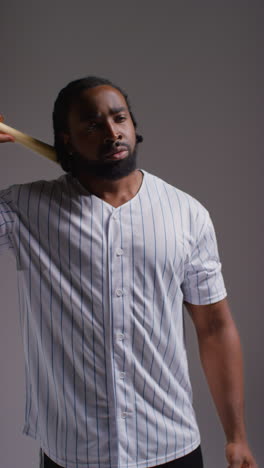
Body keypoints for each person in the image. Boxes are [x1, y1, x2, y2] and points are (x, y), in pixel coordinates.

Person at [0, 76, 258, 468]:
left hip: (170, 446)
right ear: (66, 139)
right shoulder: (25, 209)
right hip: (72, 453)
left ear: (133, 127)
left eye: (119, 118)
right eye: (91, 123)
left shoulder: (186, 214)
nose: (111, 131)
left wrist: (236, 436)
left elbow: (214, 327)